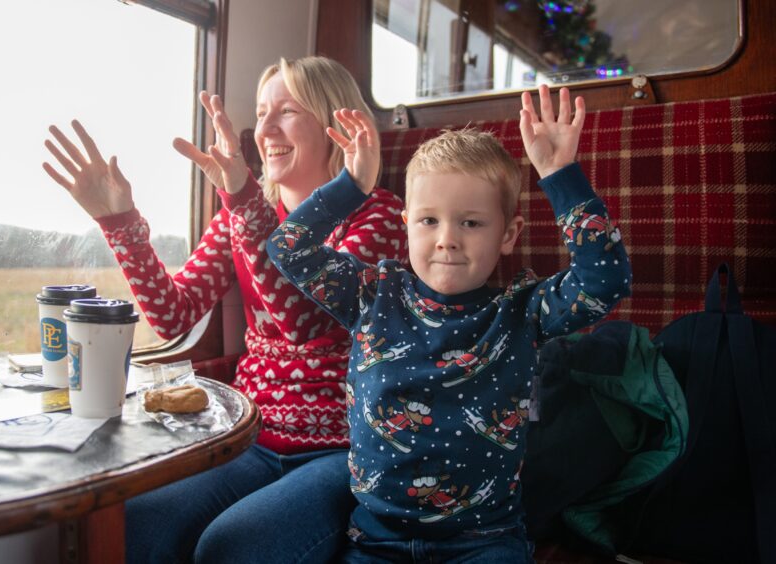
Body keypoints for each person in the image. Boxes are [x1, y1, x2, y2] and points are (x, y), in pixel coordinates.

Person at [42, 56, 407, 564]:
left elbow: (302, 321)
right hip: (250, 436)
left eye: (287, 111)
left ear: (334, 122)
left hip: (340, 452)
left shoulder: (380, 217)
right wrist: (119, 221)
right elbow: (173, 316)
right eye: (261, 113)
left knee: (231, 548)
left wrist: (243, 199)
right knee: (137, 520)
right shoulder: (244, 214)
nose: (266, 130)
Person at [268, 84, 632, 562]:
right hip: (377, 538)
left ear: (509, 234)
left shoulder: (521, 312)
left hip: (484, 541)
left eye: (471, 223)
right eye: (429, 221)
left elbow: (605, 280)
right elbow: (288, 246)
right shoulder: (372, 295)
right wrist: (353, 185)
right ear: (406, 225)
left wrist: (560, 174)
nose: (447, 240)